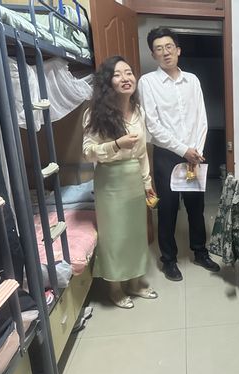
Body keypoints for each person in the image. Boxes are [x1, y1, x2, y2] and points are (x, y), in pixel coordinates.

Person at [139, 27, 220, 282]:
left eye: (169, 47)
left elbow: (201, 118)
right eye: (159, 49)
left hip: (194, 153)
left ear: (178, 50)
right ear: (153, 54)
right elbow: (153, 125)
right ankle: (169, 260)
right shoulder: (147, 82)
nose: (165, 53)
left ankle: (200, 252)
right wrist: (183, 150)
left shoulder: (192, 80)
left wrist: (196, 150)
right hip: (167, 155)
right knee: (168, 209)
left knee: (196, 207)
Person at [83, 56, 158, 309]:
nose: (126, 78)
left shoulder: (139, 111)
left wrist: (147, 183)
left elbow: (142, 152)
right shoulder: (94, 114)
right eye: (118, 74)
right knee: (114, 235)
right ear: (108, 82)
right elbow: (88, 152)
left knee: (136, 233)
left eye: (128, 73)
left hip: (134, 177)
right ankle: (114, 288)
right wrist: (116, 144)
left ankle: (135, 282)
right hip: (110, 180)